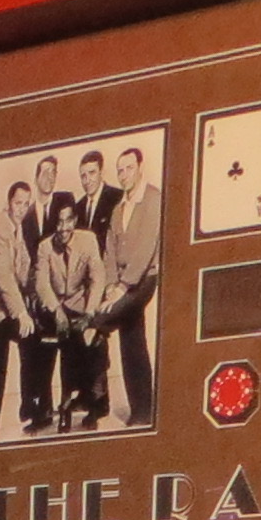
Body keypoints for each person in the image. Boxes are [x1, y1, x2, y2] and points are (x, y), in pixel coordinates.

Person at [0, 178, 48, 443]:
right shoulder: (0, 230)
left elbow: (24, 268)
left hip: (8, 307)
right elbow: (4, 278)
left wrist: (40, 294)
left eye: (26, 204)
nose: (22, 209)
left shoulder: (16, 227)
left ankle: (29, 409)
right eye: (18, 203)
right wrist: (22, 313)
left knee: (33, 341)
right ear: (9, 203)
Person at [95, 143, 162, 428]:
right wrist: (112, 284)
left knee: (103, 321)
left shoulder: (153, 199)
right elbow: (109, 251)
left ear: (140, 168)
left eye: (129, 168)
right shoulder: (118, 209)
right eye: (120, 170)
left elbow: (146, 248)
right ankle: (142, 410)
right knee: (132, 338)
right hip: (121, 283)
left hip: (144, 278)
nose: (124, 175)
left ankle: (142, 409)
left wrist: (122, 288)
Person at [33, 191, 108, 432]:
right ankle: (63, 405)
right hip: (54, 307)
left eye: (68, 221)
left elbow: (98, 278)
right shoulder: (45, 247)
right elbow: (41, 284)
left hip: (81, 305)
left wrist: (89, 313)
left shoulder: (88, 240)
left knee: (93, 339)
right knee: (65, 340)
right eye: (58, 222)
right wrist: (56, 310)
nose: (63, 228)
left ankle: (95, 402)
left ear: (75, 220)